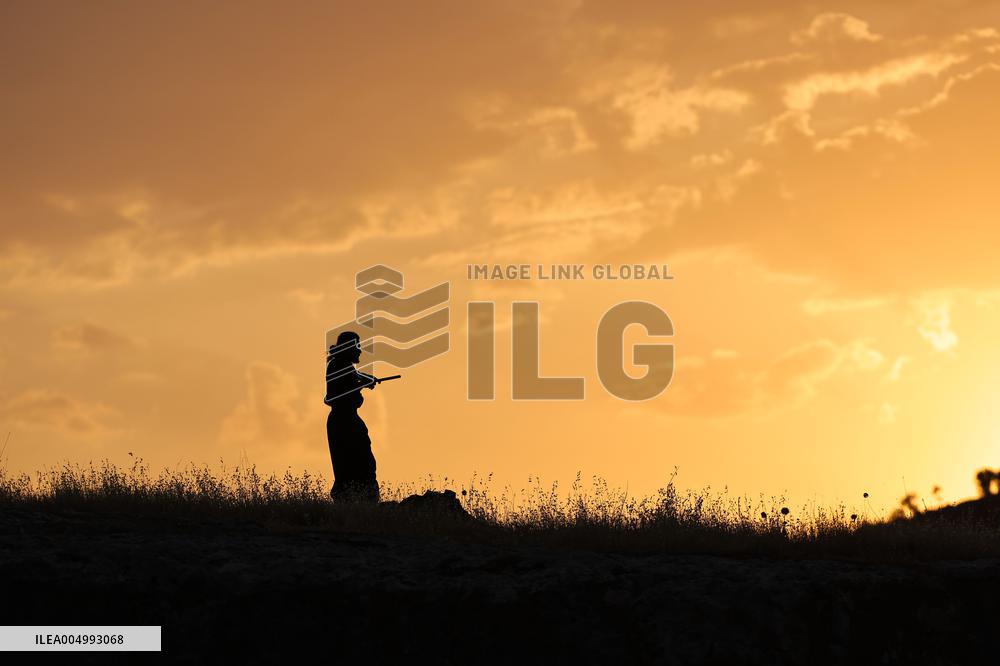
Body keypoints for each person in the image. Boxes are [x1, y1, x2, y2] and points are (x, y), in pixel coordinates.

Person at [325, 331, 380, 502]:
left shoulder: (342, 365)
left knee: (358, 465)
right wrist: (362, 384)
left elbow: (354, 376)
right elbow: (338, 394)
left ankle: (358, 502)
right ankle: (357, 502)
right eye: (357, 346)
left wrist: (364, 380)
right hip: (344, 422)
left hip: (345, 420)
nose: (360, 350)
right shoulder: (338, 366)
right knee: (352, 467)